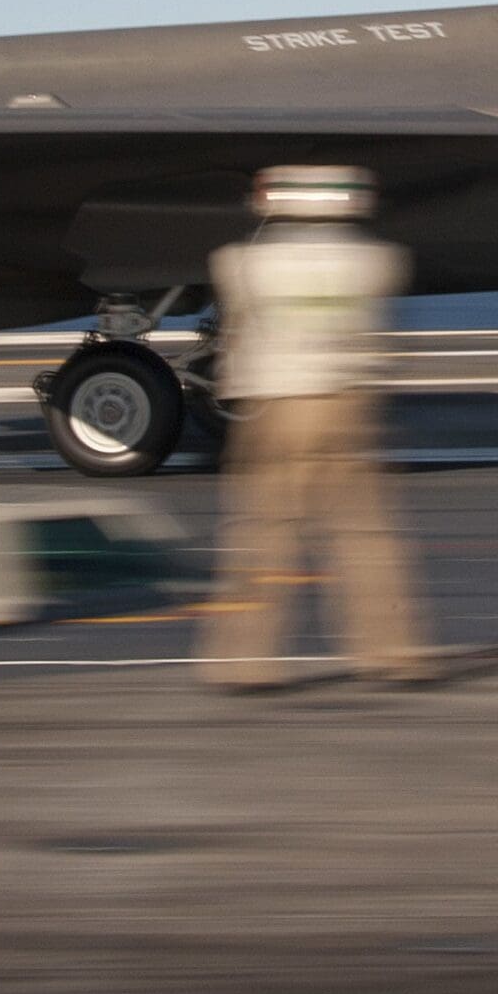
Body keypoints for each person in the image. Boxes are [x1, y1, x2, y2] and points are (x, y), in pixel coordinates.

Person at [195, 165, 432, 690]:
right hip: (349, 406)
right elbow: (382, 342)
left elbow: (233, 339)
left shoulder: (242, 263)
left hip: (279, 406)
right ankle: (393, 652)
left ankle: (243, 659)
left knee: (262, 534)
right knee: (365, 534)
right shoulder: (377, 261)